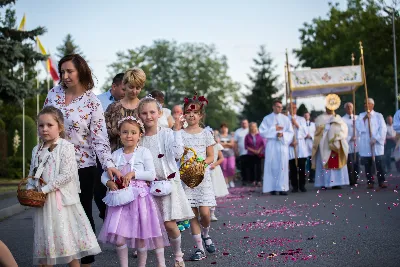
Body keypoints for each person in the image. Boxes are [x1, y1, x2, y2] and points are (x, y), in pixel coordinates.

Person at [43, 54, 120, 265]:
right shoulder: (53, 94)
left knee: (82, 214)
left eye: (70, 71)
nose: (65, 76)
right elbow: (44, 125)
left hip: (83, 167)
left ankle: (85, 260)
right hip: (54, 164)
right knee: (56, 214)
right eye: (63, 72)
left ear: (81, 72)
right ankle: (61, 257)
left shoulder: (92, 102)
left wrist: (109, 166)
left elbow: (100, 140)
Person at [27, 106, 101, 266]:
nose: (45, 129)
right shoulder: (36, 149)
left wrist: (45, 190)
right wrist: (30, 189)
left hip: (61, 202)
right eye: (41, 125)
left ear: (60, 127)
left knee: (68, 243)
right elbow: (32, 172)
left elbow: (67, 174)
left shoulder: (65, 147)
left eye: (49, 125)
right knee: (46, 242)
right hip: (43, 203)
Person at [98, 116, 169, 267]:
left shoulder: (144, 152)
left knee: (141, 237)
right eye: (125, 132)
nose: (129, 135)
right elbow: (104, 174)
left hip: (140, 200)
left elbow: (151, 174)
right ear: (119, 134)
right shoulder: (115, 155)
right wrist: (109, 182)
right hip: (120, 201)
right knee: (119, 238)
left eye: (133, 132)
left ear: (140, 135)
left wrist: (133, 174)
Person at [137, 96, 194, 267]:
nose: (149, 116)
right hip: (149, 186)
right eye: (144, 113)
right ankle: (160, 262)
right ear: (139, 115)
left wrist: (177, 131)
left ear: (160, 113)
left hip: (169, 184)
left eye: (152, 112)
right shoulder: (139, 138)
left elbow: (177, 154)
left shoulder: (167, 133)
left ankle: (178, 254)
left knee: (169, 225)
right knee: (154, 226)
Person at [180, 94, 217, 261]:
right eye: (188, 112)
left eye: (195, 112)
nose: (191, 115)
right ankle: (199, 249)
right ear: (184, 114)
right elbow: (177, 155)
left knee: (205, 213)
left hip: (202, 177)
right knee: (192, 214)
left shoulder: (206, 134)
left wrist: (200, 163)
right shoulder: (179, 134)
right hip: (187, 179)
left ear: (201, 115)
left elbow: (211, 156)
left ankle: (206, 234)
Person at [95, 73, 125, 220]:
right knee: (101, 186)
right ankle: (104, 211)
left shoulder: (132, 103)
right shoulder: (98, 101)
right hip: (103, 152)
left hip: (124, 152)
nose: (128, 93)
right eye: (124, 89)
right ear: (114, 86)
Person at [312, 94, 349, 189]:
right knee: (324, 163)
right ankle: (323, 183)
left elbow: (344, 129)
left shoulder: (338, 117)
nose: (331, 109)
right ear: (325, 107)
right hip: (324, 145)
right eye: (329, 107)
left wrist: (336, 131)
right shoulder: (320, 118)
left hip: (335, 143)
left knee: (335, 163)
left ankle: (336, 183)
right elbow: (317, 131)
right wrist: (327, 127)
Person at [105, 67, 146, 152]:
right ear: (124, 84)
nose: (134, 91)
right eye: (131, 87)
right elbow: (103, 132)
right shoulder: (113, 107)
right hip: (115, 157)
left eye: (138, 88)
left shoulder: (144, 108)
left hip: (139, 156)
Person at [259, 100, 294, 195]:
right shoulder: (267, 118)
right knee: (272, 166)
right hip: (271, 144)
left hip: (282, 144)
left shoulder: (285, 119)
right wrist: (274, 129)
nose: (280, 109)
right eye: (278, 107)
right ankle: (272, 187)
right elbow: (261, 132)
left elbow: (290, 132)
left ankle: (282, 188)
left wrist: (282, 134)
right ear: (273, 107)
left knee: (282, 166)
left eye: (281, 107)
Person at [356, 98, 388, 189]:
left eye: (368, 103)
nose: (366, 105)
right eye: (365, 104)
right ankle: (370, 181)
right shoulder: (361, 116)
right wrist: (365, 119)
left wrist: (376, 138)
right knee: (367, 164)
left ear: (372, 105)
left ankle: (381, 181)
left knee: (379, 163)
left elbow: (383, 129)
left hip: (376, 144)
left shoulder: (378, 116)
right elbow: (359, 128)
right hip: (366, 144)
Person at [287, 103, 308, 192]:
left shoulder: (301, 119)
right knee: (292, 168)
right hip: (290, 145)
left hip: (300, 144)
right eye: (291, 108)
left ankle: (302, 185)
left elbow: (305, 132)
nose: (293, 109)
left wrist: (296, 124)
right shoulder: (285, 119)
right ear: (288, 108)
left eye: (295, 108)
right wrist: (289, 141)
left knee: (301, 167)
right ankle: (294, 186)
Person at [209, 129, 229, 221]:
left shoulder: (216, 146)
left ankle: (212, 213)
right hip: (204, 169)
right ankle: (203, 212)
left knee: (213, 192)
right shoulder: (202, 147)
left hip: (214, 170)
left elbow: (221, 158)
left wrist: (214, 164)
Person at [342, 102, 360, 185]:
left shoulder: (357, 118)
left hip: (357, 143)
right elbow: (342, 132)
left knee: (357, 163)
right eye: (348, 107)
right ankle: (351, 180)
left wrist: (355, 126)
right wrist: (349, 137)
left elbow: (362, 129)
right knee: (350, 163)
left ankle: (356, 178)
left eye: (351, 107)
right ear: (345, 109)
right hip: (348, 143)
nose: (349, 108)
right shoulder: (343, 120)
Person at [244, 122, 265, 187]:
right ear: (250, 127)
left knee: (259, 168)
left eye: (254, 126)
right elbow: (246, 146)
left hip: (259, 154)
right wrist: (253, 151)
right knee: (252, 168)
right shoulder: (247, 136)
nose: (253, 128)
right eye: (252, 126)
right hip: (251, 154)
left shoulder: (260, 135)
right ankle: (253, 181)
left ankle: (259, 181)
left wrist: (258, 150)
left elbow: (263, 144)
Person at [218, 123, 236, 188]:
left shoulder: (230, 136)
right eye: (222, 128)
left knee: (231, 167)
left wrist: (224, 144)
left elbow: (232, 144)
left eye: (225, 128)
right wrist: (228, 144)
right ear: (221, 129)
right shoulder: (218, 136)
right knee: (224, 168)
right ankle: (226, 182)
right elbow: (218, 144)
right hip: (222, 154)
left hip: (230, 154)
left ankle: (231, 180)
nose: (224, 129)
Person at [234, 120, 249, 185]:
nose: (244, 124)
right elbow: (235, 142)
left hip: (250, 152)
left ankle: (250, 180)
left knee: (250, 167)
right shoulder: (238, 131)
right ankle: (244, 180)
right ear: (241, 124)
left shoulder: (250, 130)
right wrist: (236, 151)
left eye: (245, 123)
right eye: (243, 123)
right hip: (241, 152)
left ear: (248, 123)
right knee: (243, 167)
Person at [304, 112, 316, 183]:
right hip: (304, 144)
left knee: (312, 161)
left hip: (311, 144)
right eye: (305, 115)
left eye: (307, 115)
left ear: (309, 116)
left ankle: (312, 177)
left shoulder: (313, 125)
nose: (306, 116)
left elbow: (316, 134)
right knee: (304, 162)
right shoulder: (301, 125)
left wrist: (311, 136)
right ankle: (305, 176)